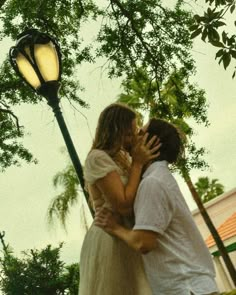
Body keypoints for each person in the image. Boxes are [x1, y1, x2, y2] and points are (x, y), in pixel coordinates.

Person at [95, 118, 219, 295]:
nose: (133, 135)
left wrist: (114, 227)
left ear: (151, 144)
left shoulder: (153, 183)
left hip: (187, 288)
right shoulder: (155, 179)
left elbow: (143, 242)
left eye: (140, 133)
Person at [79, 103, 161, 295]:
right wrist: (138, 164)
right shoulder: (97, 158)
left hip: (129, 234)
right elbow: (123, 204)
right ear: (114, 131)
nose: (132, 138)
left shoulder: (124, 157)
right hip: (110, 238)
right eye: (128, 133)